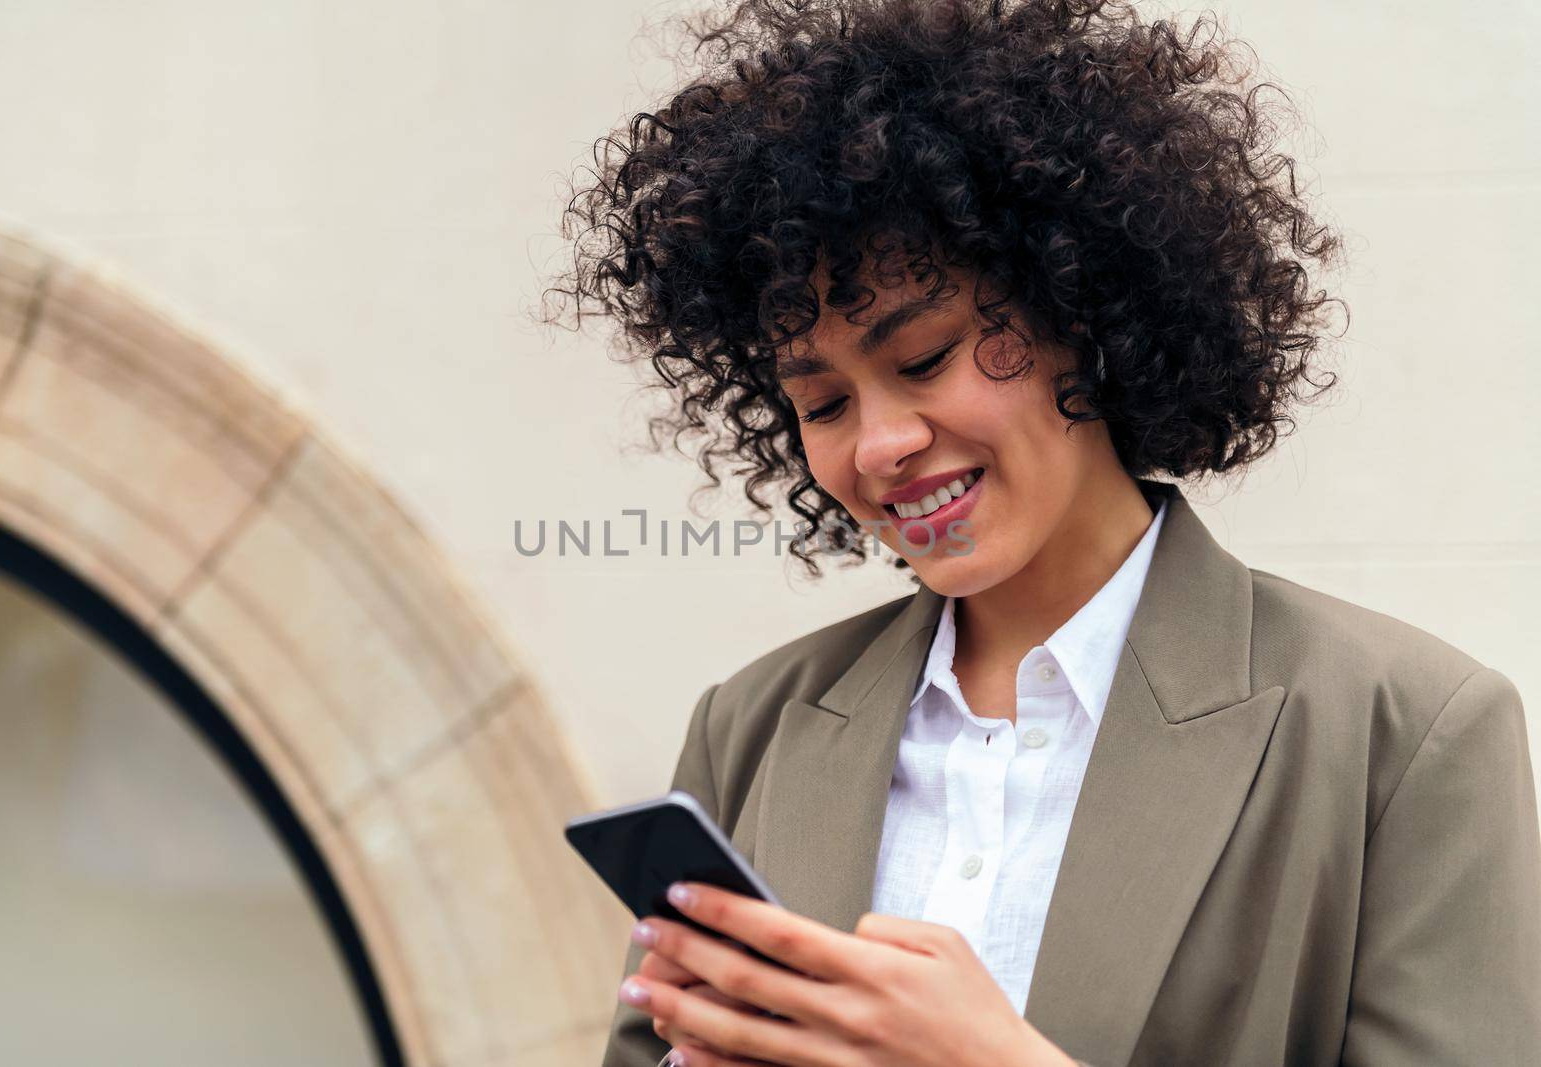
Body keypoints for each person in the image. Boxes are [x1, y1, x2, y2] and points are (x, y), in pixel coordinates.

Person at [540, 0, 1541, 1063]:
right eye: (821, 403)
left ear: (1084, 310)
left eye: (923, 359)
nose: (879, 442)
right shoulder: (754, 727)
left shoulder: (1403, 733)